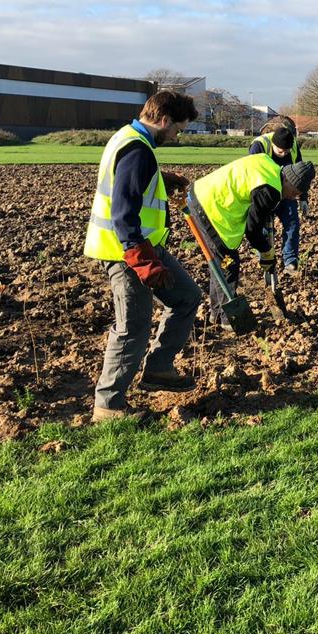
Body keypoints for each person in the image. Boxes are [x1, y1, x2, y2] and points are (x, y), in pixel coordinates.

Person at [83, 91, 203, 423]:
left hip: (146, 248)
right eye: (178, 129)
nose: (177, 136)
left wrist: (163, 181)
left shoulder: (131, 138)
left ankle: (159, 368)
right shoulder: (138, 149)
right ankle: (108, 406)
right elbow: (123, 210)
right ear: (164, 120)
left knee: (187, 297)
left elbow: (131, 183)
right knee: (132, 327)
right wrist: (139, 257)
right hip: (126, 253)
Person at [187, 155, 316, 327]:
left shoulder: (269, 166)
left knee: (221, 263)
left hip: (203, 195)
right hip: (210, 208)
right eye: (293, 193)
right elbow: (252, 230)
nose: (292, 198)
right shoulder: (270, 189)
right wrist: (266, 252)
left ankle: (216, 315)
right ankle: (230, 321)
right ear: (287, 179)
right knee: (228, 264)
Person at [249, 116, 308, 273]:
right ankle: (264, 256)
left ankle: (290, 260)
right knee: (261, 228)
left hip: (285, 193)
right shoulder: (259, 145)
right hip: (264, 193)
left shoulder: (293, 146)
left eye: (286, 152)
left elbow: (300, 175)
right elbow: (253, 174)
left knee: (292, 223)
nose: (283, 155)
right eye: (280, 151)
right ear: (274, 144)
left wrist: (303, 198)